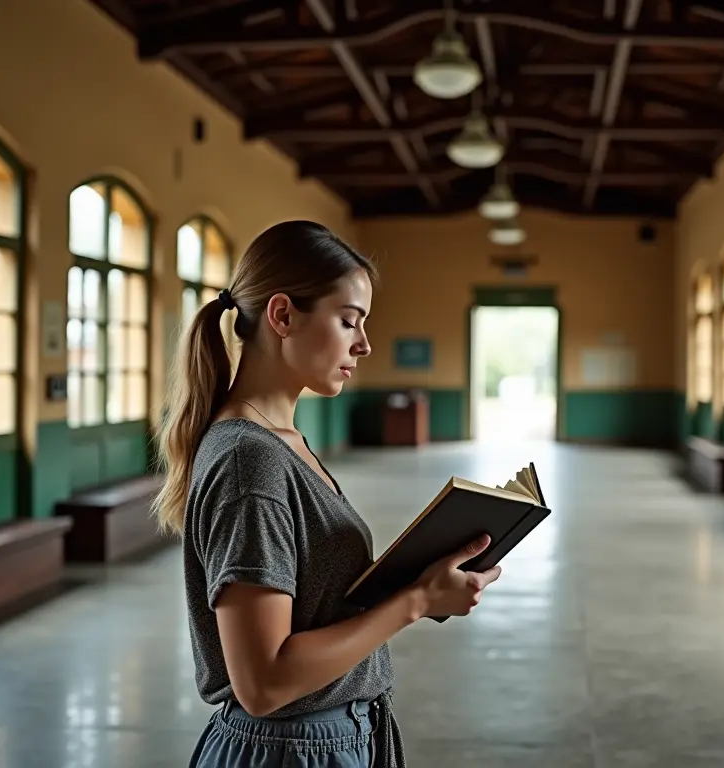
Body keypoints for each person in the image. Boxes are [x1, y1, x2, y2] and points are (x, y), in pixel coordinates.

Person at [153, 220, 503, 768]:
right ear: (283, 315)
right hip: (290, 751)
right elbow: (263, 682)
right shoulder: (252, 462)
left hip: (324, 741)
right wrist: (416, 602)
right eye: (348, 321)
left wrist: (418, 580)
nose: (364, 344)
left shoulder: (280, 443)